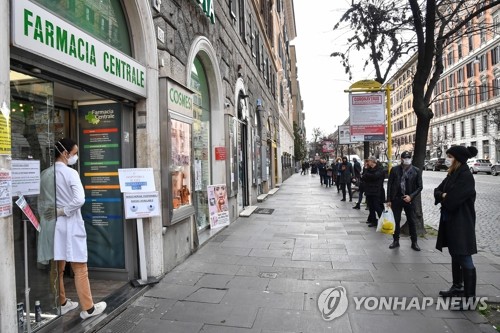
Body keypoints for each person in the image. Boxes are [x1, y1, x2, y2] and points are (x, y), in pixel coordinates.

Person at [53, 138, 107, 320]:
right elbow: (79, 200)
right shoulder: (70, 174)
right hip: (70, 223)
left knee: (58, 268)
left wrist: (56, 211)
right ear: (64, 153)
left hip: (54, 226)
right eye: (74, 153)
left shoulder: (47, 173)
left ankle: (61, 303)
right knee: (80, 267)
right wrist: (64, 211)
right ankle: (88, 309)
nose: (75, 157)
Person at [434, 146, 478, 308]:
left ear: (457, 158)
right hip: (450, 220)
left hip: (462, 221)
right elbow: (437, 191)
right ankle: (457, 286)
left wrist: (445, 195)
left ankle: (470, 298)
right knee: (455, 253)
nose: (448, 159)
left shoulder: (465, 176)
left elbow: (453, 200)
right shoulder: (452, 173)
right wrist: (443, 195)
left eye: (450, 156)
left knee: (464, 255)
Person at [386, 151, 423, 251]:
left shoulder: (416, 170)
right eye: (405, 158)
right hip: (397, 198)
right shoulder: (394, 170)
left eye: (408, 157)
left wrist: (411, 196)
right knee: (396, 221)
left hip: (409, 199)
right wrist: (389, 199)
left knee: (411, 221)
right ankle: (395, 241)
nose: (407, 159)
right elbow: (389, 185)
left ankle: (414, 242)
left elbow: (420, 187)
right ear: (401, 159)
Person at [362, 156, 385, 227]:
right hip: (369, 190)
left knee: (377, 206)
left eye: (368, 161)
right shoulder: (368, 169)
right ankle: (373, 221)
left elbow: (375, 176)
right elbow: (363, 177)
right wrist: (367, 174)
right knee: (371, 207)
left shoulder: (380, 169)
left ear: (372, 162)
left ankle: (383, 221)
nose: (367, 162)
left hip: (377, 191)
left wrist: (367, 175)